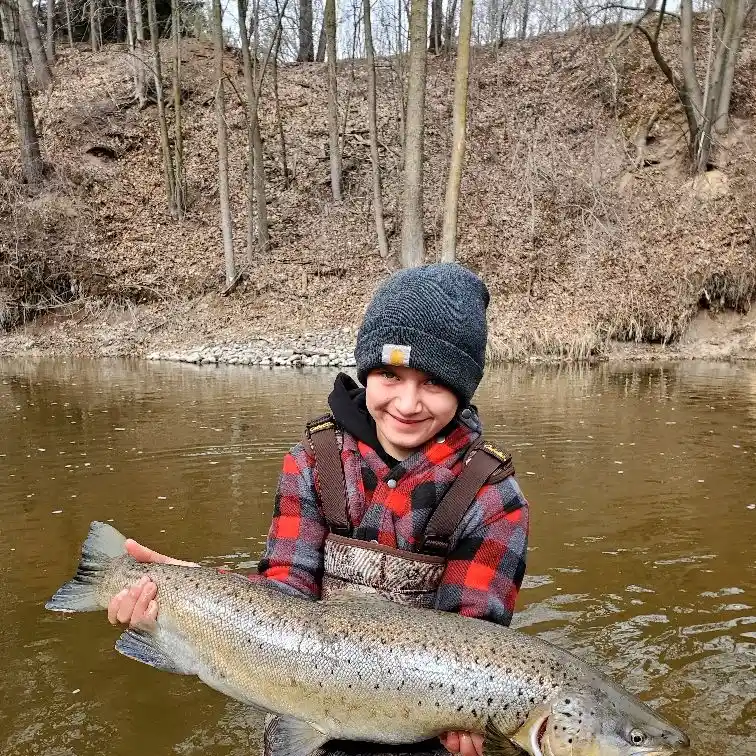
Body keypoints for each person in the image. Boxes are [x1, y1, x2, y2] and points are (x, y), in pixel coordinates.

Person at [108, 263, 530, 756]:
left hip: (422, 737)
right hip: (302, 706)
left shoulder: (492, 496)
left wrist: (477, 731)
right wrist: (191, 596)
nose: (408, 402)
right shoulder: (315, 460)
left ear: (463, 389)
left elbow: (475, 644)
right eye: (390, 374)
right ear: (365, 370)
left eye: (433, 383)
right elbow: (284, 590)